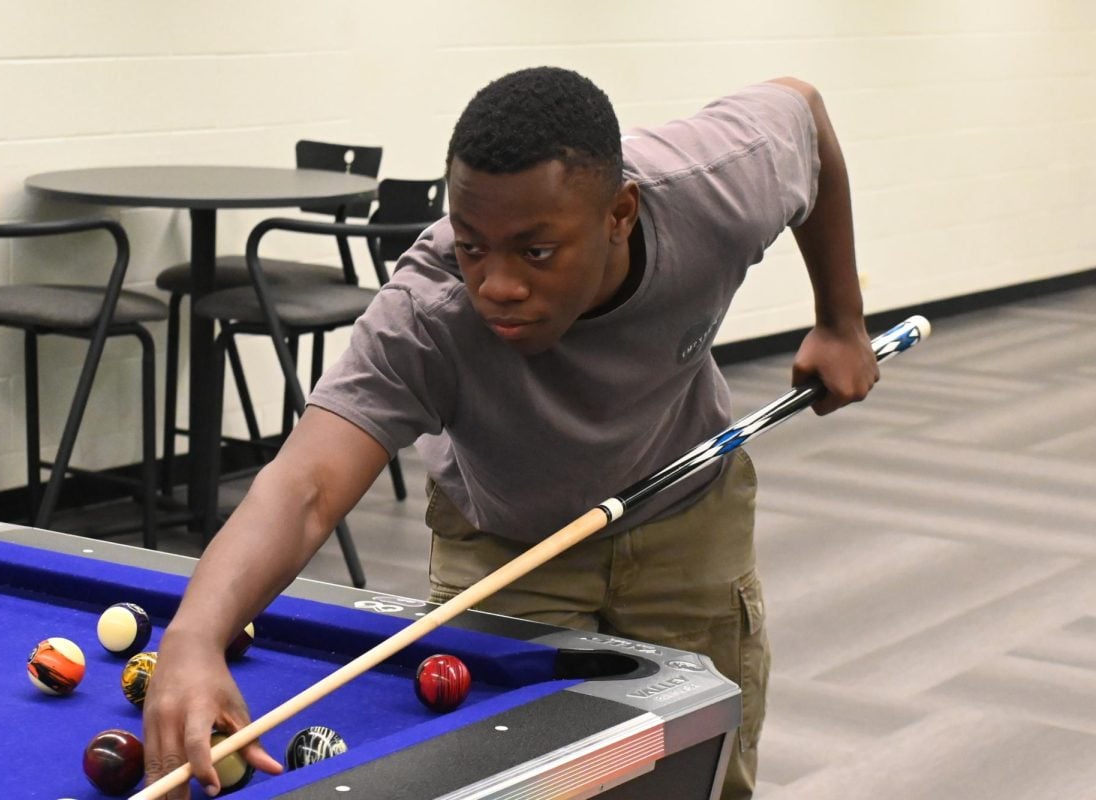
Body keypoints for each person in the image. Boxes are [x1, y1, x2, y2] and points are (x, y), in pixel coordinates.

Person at [143, 66, 879, 800]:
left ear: (619, 214)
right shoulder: (428, 310)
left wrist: (840, 319)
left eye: (535, 252)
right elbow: (305, 486)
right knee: (515, 783)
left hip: (685, 513)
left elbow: (804, 113)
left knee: (698, 777)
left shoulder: (713, 187)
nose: (496, 284)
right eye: (472, 246)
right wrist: (194, 639)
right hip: (507, 541)